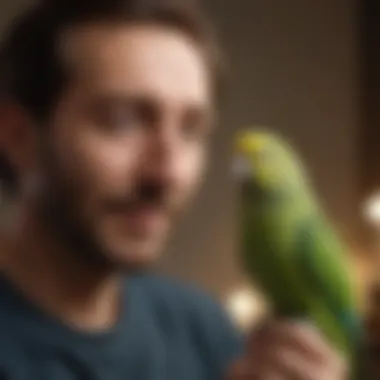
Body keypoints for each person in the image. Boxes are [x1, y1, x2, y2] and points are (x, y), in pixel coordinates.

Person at [0, 0, 346, 379]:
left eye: (191, 130)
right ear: (18, 137)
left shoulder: (204, 328)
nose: (167, 173)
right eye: (121, 122)